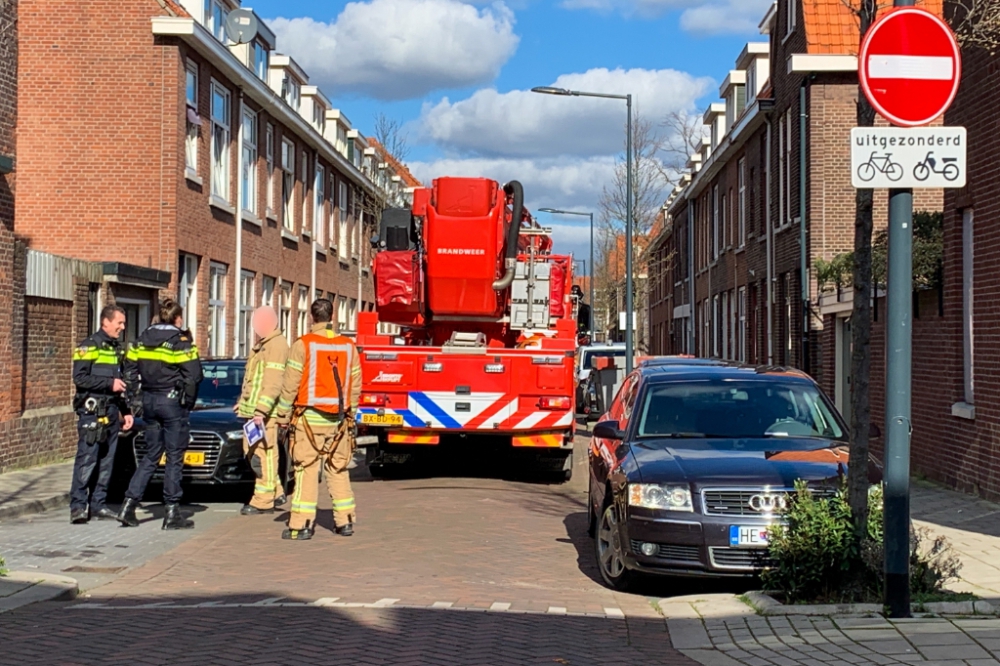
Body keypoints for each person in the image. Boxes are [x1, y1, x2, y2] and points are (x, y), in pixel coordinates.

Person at [275, 298, 361, 541]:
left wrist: (282, 415)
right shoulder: (348, 346)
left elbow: (290, 385)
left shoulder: (303, 345)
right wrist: (350, 413)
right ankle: (345, 522)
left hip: (309, 420)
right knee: (338, 469)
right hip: (339, 421)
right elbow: (355, 385)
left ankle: (301, 525)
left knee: (306, 470)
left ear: (312, 317)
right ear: (332, 316)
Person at [118, 299, 203, 530]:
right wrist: (187, 403)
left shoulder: (142, 339)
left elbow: (129, 369)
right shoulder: (181, 341)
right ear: (177, 319)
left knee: (151, 455)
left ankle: (128, 505)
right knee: (174, 457)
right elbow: (194, 376)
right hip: (172, 403)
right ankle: (172, 512)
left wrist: (134, 398)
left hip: (149, 402)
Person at [69, 305, 136, 524]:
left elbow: (122, 384)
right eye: (120, 323)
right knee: (87, 458)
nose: (123, 327)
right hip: (92, 412)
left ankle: (99, 505)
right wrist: (109, 384)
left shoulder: (117, 349)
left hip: (112, 410)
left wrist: (126, 412)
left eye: (123, 323)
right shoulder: (88, 346)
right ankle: (78, 506)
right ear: (105, 322)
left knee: (107, 462)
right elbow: (79, 378)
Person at [236, 306, 289, 515]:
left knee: (264, 455)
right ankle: (275, 491)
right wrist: (243, 401)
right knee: (253, 451)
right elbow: (254, 380)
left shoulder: (275, 346)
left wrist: (261, 410)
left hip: (264, 415)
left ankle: (263, 500)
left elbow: (273, 382)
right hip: (254, 412)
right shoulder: (264, 345)